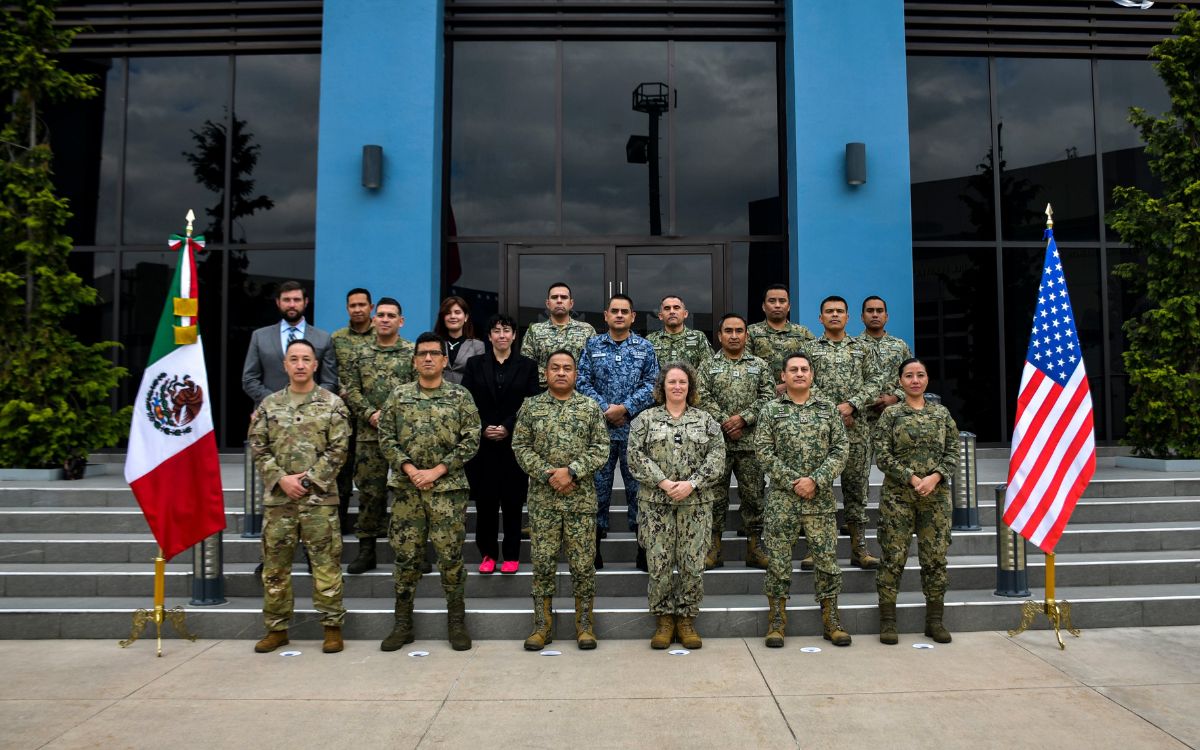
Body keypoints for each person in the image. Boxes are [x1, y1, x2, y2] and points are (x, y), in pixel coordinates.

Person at [378, 333, 481, 652]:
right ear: (414, 360)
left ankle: (456, 622)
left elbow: (471, 439)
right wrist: (410, 469)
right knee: (407, 558)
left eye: (434, 353)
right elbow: (386, 438)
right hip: (408, 492)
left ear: (444, 360)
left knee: (451, 558)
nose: (427, 359)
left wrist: (437, 471)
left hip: (448, 492)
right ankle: (403, 623)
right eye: (422, 354)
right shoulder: (398, 396)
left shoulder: (460, 396)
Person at [247, 339, 351, 654]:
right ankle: (276, 629)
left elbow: (339, 449)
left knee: (326, 564)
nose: (301, 365)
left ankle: (332, 628)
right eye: (295, 359)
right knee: (275, 567)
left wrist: (306, 480)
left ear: (316, 365)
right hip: (279, 501)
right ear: (285, 365)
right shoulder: (269, 405)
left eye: (306, 359)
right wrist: (280, 479)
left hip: (318, 501)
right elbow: (258, 445)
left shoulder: (332, 404)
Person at [512, 350, 610, 651]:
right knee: (542, 564)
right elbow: (520, 445)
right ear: (546, 373)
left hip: (580, 502)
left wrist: (571, 472)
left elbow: (601, 448)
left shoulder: (590, 407)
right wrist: (548, 474)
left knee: (582, 566)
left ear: (576, 374)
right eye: (555, 368)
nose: (561, 373)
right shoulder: (531, 407)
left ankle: (584, 626)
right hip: (544, 502)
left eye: (567, 368)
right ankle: (542, 627)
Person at [628, 363, 725, 650]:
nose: (677, 387)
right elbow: (634, 456)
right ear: (663, 386)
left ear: (690, 387)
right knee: (658, 563)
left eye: (683, 382)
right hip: (656, 504)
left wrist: (692, 483)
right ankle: (663, 620)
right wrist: (663, 482)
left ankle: (686, 619)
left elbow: (717, 457)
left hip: (695, 503)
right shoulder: (645, 420)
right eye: (672, 382)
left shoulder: (705, 420)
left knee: (692, 564)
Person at [757, 352, 851, 648]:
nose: (799, 373)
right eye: (793, 369)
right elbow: (763, 451)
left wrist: (816, 480)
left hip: (819, 500)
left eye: (805, 369)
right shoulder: (770, 410)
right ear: (782, 376)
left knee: (826, 562)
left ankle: (831, 620)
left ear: (812, 375)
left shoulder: (827, 409)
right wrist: (793, 481)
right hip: (782, 501)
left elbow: (840, 449)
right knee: (778, 563)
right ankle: (776, 622)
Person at [873, 358, 957, 645]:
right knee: (893, 558)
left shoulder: (941, 414)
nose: (915, 380)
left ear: (927, 379)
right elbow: (881, 455)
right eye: (909, 375)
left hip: (935, 498)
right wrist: (910, 477)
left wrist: (936, 477)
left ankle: (934, 621)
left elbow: (954, 451)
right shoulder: (891, 415)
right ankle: (888, 621)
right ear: (900, 381)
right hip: (898, 497)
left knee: (935, 559)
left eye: (920, 375)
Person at [576, 294, 659, 571]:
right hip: (599, 434)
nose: (620, 315)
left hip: (635, 433)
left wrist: (624, 408)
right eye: (615, 311)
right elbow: (582, 381)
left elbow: (652, 385)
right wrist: (605, 409)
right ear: (606, 315)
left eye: (625, 311)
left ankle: (643, 550)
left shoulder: (645, 348)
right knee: (597, 493)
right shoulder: (592, 345)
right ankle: (593, 550)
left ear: (633, 316)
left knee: (639, 492)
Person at [801, 295, 883, 571]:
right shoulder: (809, 349)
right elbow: (804, 383)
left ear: (848, 317)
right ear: (820, 318)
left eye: (839, 311)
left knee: (857, 490)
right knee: (819, 490)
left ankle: (859, 548)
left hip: (857, 430)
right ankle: (818, 549)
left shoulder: (862, 348)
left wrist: (853, 406)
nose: (834, 315)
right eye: (829, 311)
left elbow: (876, 381)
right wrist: (835, 411)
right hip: (820, 432)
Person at [339, 297, 415, 574]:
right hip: (368, 437)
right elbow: (352, 390)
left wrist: (392, 417)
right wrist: (371, 413)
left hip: (403, 437)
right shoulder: (359, 354)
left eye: (391, 315)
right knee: (370, 494)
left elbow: (416, 389)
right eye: (380, 314)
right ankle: (366, 550)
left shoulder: (411, 353)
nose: (384, 319)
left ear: (400, 321)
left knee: (407, 495)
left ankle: (412, 551)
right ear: (373, 319)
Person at [462, 314, 541, 574]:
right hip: (483, 445)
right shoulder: (475, 364)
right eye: (496, 331)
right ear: (489, 336)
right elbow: (467, 400)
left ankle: (511, 554)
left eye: (507, 330)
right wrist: (485, 426)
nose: (502, 335)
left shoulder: (527, 366)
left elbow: (530, 403)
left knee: (512, 501)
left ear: (515, 335)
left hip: (514, 443)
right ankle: (487, 554)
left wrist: (507, 425)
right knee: (485, 502)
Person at [697, 313, 775, 569]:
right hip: (717, 446)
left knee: (754, 497)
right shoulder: (707, 366)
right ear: (719, 336)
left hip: (751, 444)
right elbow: (701, 397)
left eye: (738, 330)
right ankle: (713, 548)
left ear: (746, 335)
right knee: (716, 498)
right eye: (728, 331)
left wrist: (742, 419)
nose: (733, 335)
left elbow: (768, 397)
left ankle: (754, 547)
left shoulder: (760, 365)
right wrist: (725, 422)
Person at [242, 280, 338, 406]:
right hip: (270, 414)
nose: (292, 304)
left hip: (310, 417)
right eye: (286, 300)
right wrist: (276, 401)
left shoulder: (323, 338)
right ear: (278, 302)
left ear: (306, 302)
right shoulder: (260, 336)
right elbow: (249, 379)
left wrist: (308, 402)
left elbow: (330, 382)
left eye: (297, 300)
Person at [330, 288, 375, 531]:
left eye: (362, 305)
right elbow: (328, 371)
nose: (357, 309)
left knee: (371, 474)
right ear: (347, 308)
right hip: (343, 414)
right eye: (353, 305)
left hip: (371, 416)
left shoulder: (381, 334)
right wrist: (342, 390)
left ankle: (372, 523)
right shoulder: (337, 338)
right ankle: (341, 521)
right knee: (342, 469)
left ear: (371, 307)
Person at [521, 282, 597, 387]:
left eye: (564, 297)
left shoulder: (587, 330)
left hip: (579, 394)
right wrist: (553, 376)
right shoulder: (534, 331)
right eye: (554, 297)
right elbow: (527, 365)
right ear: (548, 303)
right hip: (543, 393)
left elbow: (595, 365)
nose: (559, 301)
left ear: (571, 303)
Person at [857, 295, 914, 423]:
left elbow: (911, 377)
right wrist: (870, 399)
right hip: (864, 419)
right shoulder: (854, 347)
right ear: (862, 317)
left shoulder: (900, 346)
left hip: (897, 416)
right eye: (870, 311)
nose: (875, 315)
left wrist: (895, 397)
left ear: (886, 317)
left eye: (879, 311)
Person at [746, 284, 815, 388]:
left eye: (782, 301)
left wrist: (787, 385)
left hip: (796, 393)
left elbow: (812, 367)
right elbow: (746, 366)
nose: (777, 305)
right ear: (763, 306)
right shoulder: (750, 332)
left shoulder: (803, 333)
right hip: (761, 394)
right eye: (772, 301)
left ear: (789, 306)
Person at [644, 295, 712, 370]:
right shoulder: (650, 340)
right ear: (660, 316)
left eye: (676, 308)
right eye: (667, 308)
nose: (672, 311)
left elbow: (708, 367)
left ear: (685, 314)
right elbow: (647, 371)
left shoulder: (698, 337)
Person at [435, 295, 485, 385]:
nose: (453, 316)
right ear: (443, 317)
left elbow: (480, 378)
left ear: (466, 317)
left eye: (457, 312)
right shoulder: (434, 343)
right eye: (448, 313)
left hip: (465, 396)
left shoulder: (477, 345)